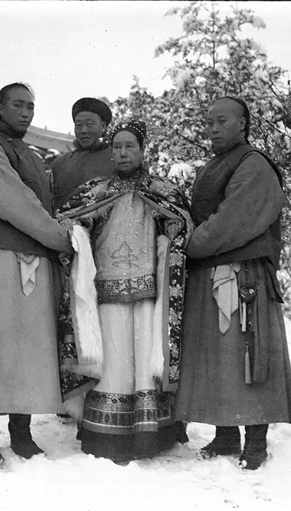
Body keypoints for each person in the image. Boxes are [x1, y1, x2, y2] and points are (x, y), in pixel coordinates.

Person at [57, 120, 194, 464]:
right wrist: (76, 229)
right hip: (107, 292)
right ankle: (108, 438)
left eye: (129, 146)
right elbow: (70, 220)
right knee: (114, 364)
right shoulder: (96, 190)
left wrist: (172, 228)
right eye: (116, 147)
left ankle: (153, 435)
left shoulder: (161, 190)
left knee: (147, 362)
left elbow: (182, 225)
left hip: (149, 293)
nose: (122, 153)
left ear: (142, 150)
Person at [175, 96, 291, 470]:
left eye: (222, 121)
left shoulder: (254, 164)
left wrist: (189, 245)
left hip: (245, 276)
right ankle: (226, 434)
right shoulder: (214, 166)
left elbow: (232, 219)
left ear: (243, 123)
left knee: (250, 355)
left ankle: (256, 442)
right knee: (219, 358)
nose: (213, 128)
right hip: (211, 272)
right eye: (209, 122)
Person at [0, 83, 73, 468]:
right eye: (18, 105)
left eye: (31, 107)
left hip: (35, 260)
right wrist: (59, 237)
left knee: (29, 349)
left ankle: (21, 433)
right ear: (0, 108)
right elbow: (17, 203)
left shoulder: (33, 157)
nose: (26, 112)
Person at [50, 97, 114, 209]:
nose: (83, 130)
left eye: (89, 124)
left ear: (103, 127)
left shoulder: (116, 158)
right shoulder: (60, 164)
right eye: (78, 125)